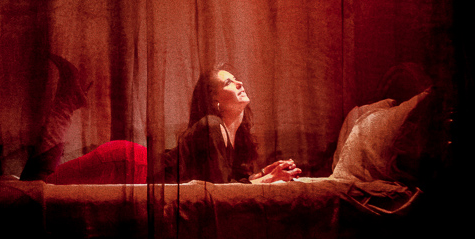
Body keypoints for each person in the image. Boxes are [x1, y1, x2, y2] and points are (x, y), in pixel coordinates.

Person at [19, 58, 298, 185]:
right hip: (126, 163)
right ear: (213, 100)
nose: (239, 83)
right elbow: (219, 191)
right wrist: (264, 181)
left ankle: (68, 99)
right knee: (35, 186)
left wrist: (262, 175)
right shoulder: (212, 126)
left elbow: (223, 182)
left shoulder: (228, 135)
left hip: (136, 165)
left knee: (40, 184)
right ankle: (66, 101)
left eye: (236, 79)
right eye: (228, 82)